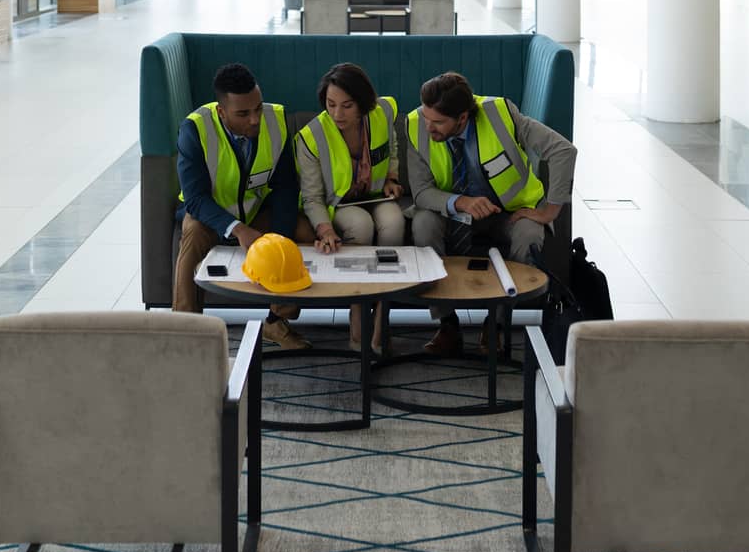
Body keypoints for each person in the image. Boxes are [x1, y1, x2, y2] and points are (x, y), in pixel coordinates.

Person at [406, 70, 576, 357]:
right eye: (426, 117)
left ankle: (495, 325)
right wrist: (461, 202)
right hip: (453, 213)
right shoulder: (415, 126)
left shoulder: (501, 115)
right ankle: (447, 325)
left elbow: (563, 151)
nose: (428, 126)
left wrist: (550, 212)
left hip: (508, 213)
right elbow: (421, 192)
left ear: (462, 118)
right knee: (422, 223)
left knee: (529, 234)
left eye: (438, 122)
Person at [173, 61, 313, 348]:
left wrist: (279, 238)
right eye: (243, 113)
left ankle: (277, 322)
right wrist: (237, 229)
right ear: (222, 112)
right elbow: (196, 198)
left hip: (255, 212)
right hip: (211, 216)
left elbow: (286, 186)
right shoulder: (195, 129)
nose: (254, 119)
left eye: (258, 108)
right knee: (194, 231)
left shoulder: (275, 122)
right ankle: (185, 331)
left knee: (302, 230)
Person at [295, 62, 405, 352]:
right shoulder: (311, 137)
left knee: (395, 222)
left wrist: (392, 177)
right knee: (360, 226)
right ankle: (358, 310)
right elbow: (312, 196)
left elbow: (391, 147)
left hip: (376, 195)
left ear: (363, 104)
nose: (337, 114)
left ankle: (383, 312)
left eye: (347, 106)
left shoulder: (381, 114)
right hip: (339, 205)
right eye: (331, 105)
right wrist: (324, 228)